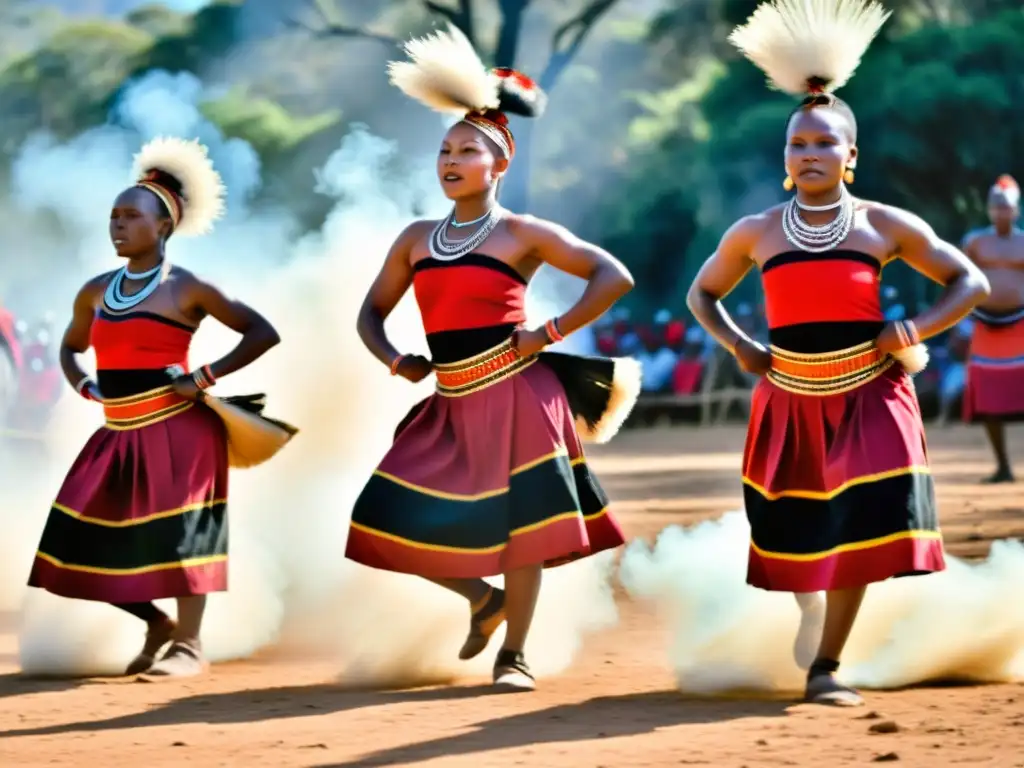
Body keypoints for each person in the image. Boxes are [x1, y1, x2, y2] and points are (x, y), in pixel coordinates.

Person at [687, 0, 990, 706]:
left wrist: (909, 331)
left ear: (852, 155)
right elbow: (703, 297)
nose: (811, 154)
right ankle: (811, 611)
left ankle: (826, 665)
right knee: (798, 528)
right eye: (799, 145)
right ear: (785, 159)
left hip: (872, 392)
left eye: (826, 143)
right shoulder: (756, 232)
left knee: (859, 519)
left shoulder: (884, 224)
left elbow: (967, 283)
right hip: (788, 397)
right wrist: (740, 346)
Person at [344, 24, 638, 691]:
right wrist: (396, 359)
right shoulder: (416, 239)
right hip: (450, 399)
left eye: (467, 151)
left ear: (498, 164)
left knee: (525, 532)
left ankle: (516, 655)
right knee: (383, 518)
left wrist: (548, 332)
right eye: (445, 150)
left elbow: (612, 276)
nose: (450, 160)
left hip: (519, 394)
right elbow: (369, 314)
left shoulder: (521, 233)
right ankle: (484, 600)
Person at [27, 136, 290, 680]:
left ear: (163, 226)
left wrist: (204, 377)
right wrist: (85, 385)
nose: (117, 225)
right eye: (113, 216)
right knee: (76, 543)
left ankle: (190, 646)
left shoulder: (186, 288)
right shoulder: (96, 291)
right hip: (117, 430)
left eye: (130, 215)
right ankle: (156, 623)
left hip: (181, 430)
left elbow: (261, 332)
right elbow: (71, 347)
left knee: (182, 535)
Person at [961, 175, 1024, 482]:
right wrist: (959, 326)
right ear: (989, 209)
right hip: (984, 326)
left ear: (1016, 210)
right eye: (996, 207)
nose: (1002, 212)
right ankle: (1003, 465)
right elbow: (958, 282)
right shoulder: (975, 242)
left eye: (1007, 207)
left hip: (1021, 326)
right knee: (988, 397)